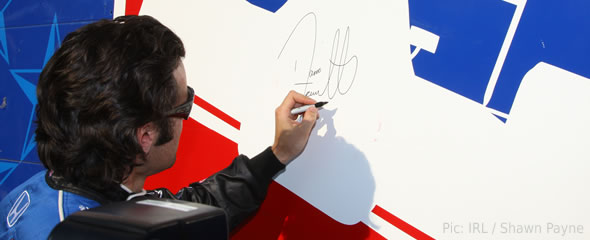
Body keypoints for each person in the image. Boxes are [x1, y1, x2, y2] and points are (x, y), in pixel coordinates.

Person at [0, 15, 319, 239]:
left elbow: (184, 211)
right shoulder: (86, 228)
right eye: (185, 104)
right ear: (146, 136)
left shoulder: (61, 187)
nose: (187, 117)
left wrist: (276, 155)